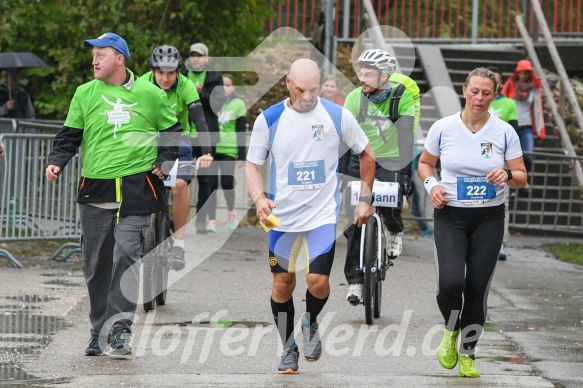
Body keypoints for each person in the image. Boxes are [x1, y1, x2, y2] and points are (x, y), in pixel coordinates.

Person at [45, 32, 181, 357]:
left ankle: (119, 331)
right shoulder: (85, 93)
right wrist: (55, 162)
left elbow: (173, 131)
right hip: (95, 187)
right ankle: (98, 331)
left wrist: (164, 160)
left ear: (119, 58)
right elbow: (69, 136)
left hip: (137, 188)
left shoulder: (150, 93)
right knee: (96, 264)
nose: (94, 60)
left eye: (101, 54)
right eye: (92, 55)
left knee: (126, 255)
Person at [245, 58, 375, 374]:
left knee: (317, 282)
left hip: (321, 216)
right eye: (301, 89)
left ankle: (310, 320)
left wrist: (364, 198)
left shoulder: (335, 114)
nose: (307, 96)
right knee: (282, 285)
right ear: (288, 83)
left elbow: (366, 152)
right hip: (283, 218)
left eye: (313, 89)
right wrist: (260, 198)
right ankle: (288, 347)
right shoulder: (270, 118)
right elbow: (252, 165)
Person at [418, 67, 527, 378]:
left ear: (494, 96)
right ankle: (451, 330)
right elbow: (425, 164)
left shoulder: (504, 131)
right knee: (450, 284)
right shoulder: (444, 127)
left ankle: (468, 353)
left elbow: (521, 176)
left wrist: (506, 175)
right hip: (450, 216)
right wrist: (432, 186)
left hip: (488, 219)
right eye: (474, 91)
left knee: (477, 288)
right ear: (463, 90)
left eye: (486, 93)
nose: (479, 98)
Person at [342, 49, 417, 303]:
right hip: (359, 157)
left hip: (392, 158)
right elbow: (344, 140)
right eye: (360, 72)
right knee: (355, 219)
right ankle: (355, 282)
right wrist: (340, 175)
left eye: (368, 74)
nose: (361, 78)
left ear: (384, 75)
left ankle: (394, 228)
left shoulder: (401, 97)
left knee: (392, 199)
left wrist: (405, 176)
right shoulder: (354, 98)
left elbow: (406, 136)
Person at [140, 45, 213, 270]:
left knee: (180, 185)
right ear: (152, 71)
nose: (165, 78)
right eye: (160, 72)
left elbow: (199, 120)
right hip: (150, 138)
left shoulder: (186, 86)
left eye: (170, 73)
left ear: (178, 72)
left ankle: (179, 244)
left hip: (180, 138)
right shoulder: (141, 85)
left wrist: (207, 151)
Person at [181, 42, 225, 234]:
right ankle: (178, 221)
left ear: (206, 58)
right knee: (181, 179)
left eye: (199, 55)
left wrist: (202, 94)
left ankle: (201, 221)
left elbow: (219, 104)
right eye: (193, 55)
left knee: (206, 181)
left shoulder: (215, 77)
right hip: (185, 136)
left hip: (207, 136)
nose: (195, 58)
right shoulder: (181, 74)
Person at [206, 74, 247, 232]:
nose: (225, 88)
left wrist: (242, 155)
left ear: (233, 87)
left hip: (229, 149)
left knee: (226, 182)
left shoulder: (238, 104)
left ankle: (231, 212)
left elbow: (241, 130)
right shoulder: (212, 102)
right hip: (213, 148)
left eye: (228, 85)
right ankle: (211, 219)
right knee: (211, 184)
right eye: (222, 85)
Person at [488, 66, 519, 261]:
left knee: (501, 203)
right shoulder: (476, 102)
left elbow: (514, 131)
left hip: (500, 159)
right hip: (478, 160)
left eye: (496, 80)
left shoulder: (509, 104)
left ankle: (499, 243)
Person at [501, 59, 545, 174]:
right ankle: (512, 181)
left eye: (526, 73)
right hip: (512, 125)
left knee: (528, 156)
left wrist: (540, 131)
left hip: (527, 125)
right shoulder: (510, 85)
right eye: (521, 73)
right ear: (517, 73)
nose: (523, 76)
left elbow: (537, 110)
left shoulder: (534, 88)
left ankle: (523, 180)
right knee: (507, 156)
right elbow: (501, 102)